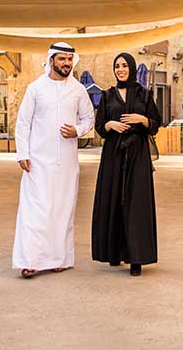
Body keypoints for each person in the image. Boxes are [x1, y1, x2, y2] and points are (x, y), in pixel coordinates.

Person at [12, 42, 95, 279]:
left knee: (63, 209)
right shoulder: (35, 88)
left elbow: (89, 118)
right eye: (62, 59)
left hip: (67, 162)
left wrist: (77, 130)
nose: (66, 63)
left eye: (70, 59)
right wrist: (23, 153)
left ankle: (60, 259)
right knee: (36, 210)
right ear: (51, 60)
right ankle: (31, 260)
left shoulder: (78, 90)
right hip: (38, 161)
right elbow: (23, 123)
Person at [91, 52, 162, 276]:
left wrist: (142, 120)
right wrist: (111, 124)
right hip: (113, 155)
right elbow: (100, 126)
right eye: (117, 66)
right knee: (113, 201)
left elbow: (156, 123)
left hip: (137, 155)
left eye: (124, 65)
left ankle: (136, 259)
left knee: (135, 204)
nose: (120, 69)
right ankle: (114, 253)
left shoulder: (143, 94)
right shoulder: (107, 95)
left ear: (131, 67)